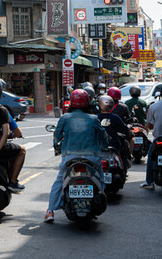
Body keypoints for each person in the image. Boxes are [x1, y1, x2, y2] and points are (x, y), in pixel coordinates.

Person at [44, 89, 109, 223]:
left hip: (69, 156)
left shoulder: (65, 118)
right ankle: (98, 202)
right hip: (91, 156)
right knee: (100, 178)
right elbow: (102, 136)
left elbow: (57, 135)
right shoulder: (93, 118)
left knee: (59, 181)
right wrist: (104, 147)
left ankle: (50, 211)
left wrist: (57, 146)